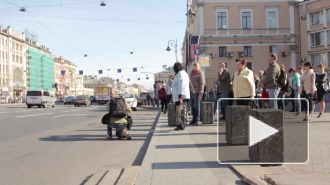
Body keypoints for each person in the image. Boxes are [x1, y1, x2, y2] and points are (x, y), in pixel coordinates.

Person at [172, 62, 190, 130]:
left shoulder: (181, 75)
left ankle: (182, 126)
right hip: (179, 96)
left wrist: (180, 96)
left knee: (181, 111)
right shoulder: (180, 74)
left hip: (181, 96)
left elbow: (181, 86)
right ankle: (179, 125)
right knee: (178, 111)